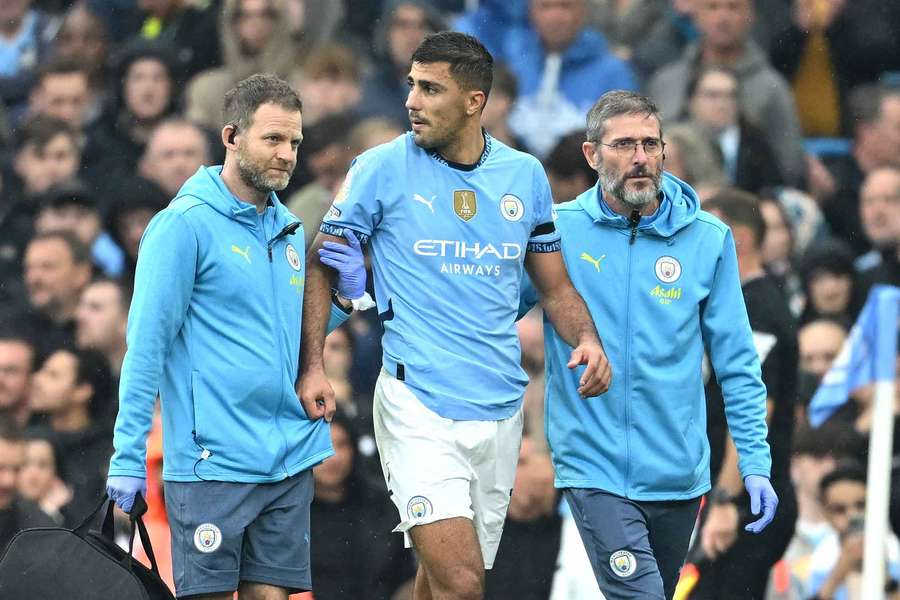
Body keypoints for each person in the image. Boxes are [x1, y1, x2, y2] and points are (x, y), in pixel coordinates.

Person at [299, 32, 610, 600]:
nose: (412, 100)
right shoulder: (380, 167)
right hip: (416, 403)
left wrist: (586, 338)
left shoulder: (524, 176)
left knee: (441, 579)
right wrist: (312, 364)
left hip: (497, 410)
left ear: (474, 101)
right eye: (411, 86)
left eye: (430, 88)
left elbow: (556, 286)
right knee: (463, 583)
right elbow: (322, 263)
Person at [104, 74, 369, 600]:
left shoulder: (289, 228)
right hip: (212, 463)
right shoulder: (182, 226)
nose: (287, 154)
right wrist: (127, 455)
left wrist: (343, 301)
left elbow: (286, 342)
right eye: (273, 139)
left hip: (288, 457)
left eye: (295, 142)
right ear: (231, 137)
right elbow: (146, 350)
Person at [520, 90, 777, 599]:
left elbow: (737, 362)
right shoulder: (557, 230)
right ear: (592, 156)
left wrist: (755, 462)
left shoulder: (708, 238)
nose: (639, 158)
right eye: (622, 145)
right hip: (593, 466)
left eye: (649, 144)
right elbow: (492, 311)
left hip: (680, 474)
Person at [696, 190, 798, 599]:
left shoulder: (758, 308)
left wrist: (726, 500)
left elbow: (751, 410)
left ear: (735, 239)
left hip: (747, 504)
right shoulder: (736, 302)